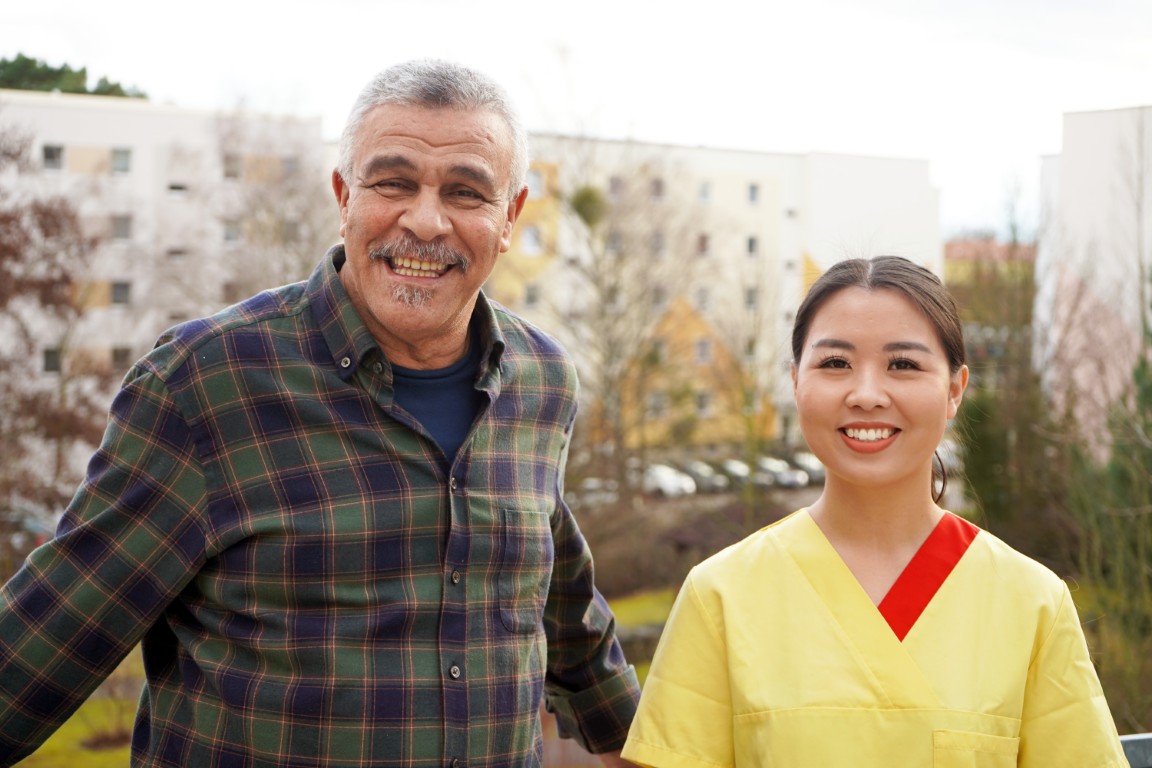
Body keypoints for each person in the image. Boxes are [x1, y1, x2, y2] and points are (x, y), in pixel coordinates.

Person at [0, 59, 639, 767]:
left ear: (510, 217)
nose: (424, 221)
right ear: (343, 195)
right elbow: (44, 644)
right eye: (393, 183)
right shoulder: (206, 384)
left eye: (466, 192)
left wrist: (635, 742)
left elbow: (559, 598)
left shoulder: (542, 381)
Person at [621, 256, 1127, 767]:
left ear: (955, 389)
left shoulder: (1032, 603)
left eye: (903, 364)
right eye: (835, 364)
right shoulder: (720, 598)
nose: (865, 395)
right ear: (796, 382)